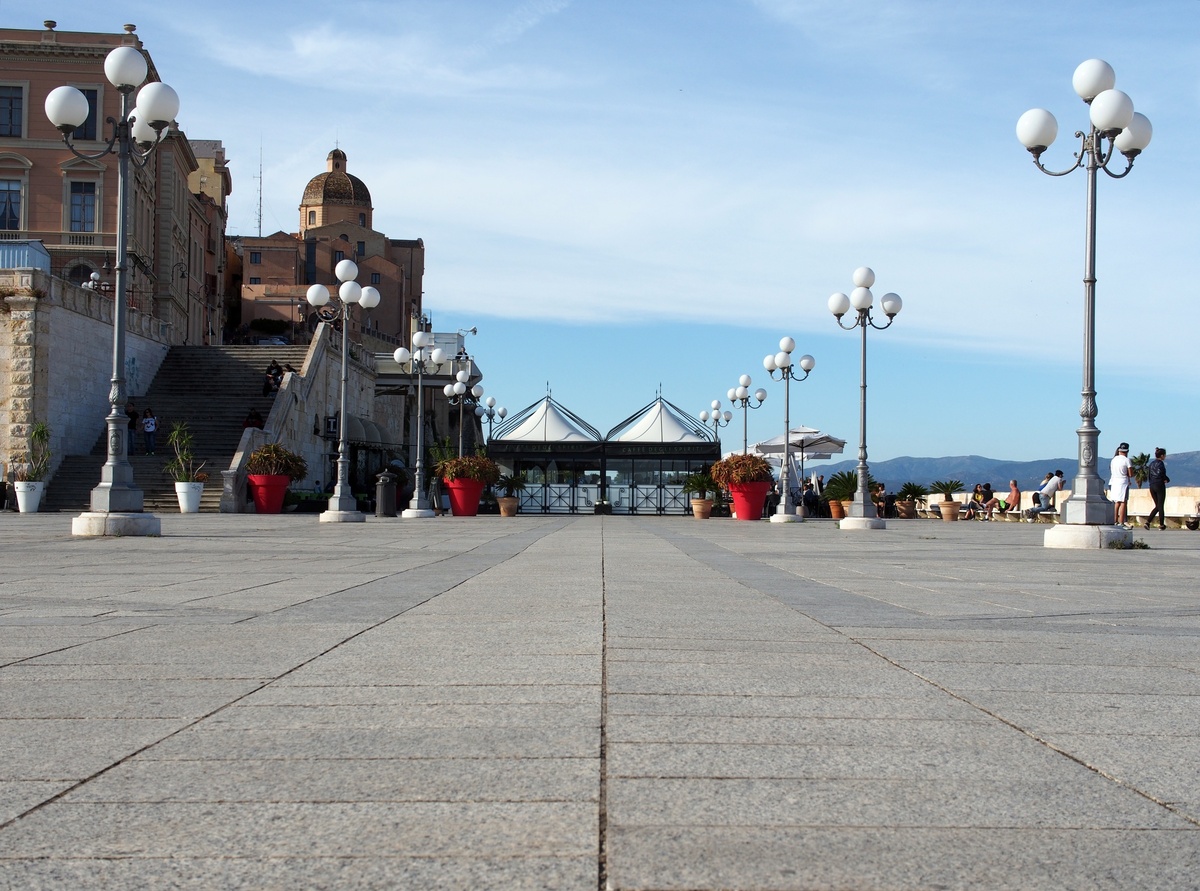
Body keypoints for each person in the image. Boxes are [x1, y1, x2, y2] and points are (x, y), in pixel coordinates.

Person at [1144, 447, 1170, 530]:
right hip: (1159, 485)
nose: (1165, 457)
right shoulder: (1160, 463)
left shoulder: (1151, 464)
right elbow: (1160, 473)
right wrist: (1166, 479)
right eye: (1164, 455)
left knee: (1158, 506)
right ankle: (1161, 525)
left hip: (1152, 485)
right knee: (1160, 506)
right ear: (1162, 456)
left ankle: (1148, 522)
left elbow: (1149, 475)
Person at [1108, 442, 1133, 527]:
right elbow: (1130, 474)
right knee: (1123, 502)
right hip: (1123, 483)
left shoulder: (1113, 460)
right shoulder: (1127, 460)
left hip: (1114, 482)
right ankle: (1121, 521)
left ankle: (1114, 520)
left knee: (1116, 502)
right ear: (1127, 451)